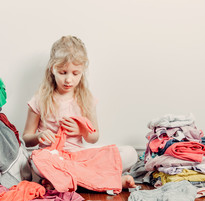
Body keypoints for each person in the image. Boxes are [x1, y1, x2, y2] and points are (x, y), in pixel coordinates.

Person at [23, 35, 137, 189]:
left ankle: (62, 181)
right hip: (52, 158)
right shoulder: (40, 99)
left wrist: (82, 130)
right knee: (36, 163)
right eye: (63, 72)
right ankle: (107, 181)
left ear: (83, 71)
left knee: (130, 153)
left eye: (75, 73)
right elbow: (27, 139)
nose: (68, 80)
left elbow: (94, 137)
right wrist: (39, 136)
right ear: (53, 69)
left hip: (79, 157)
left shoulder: (86, 99)